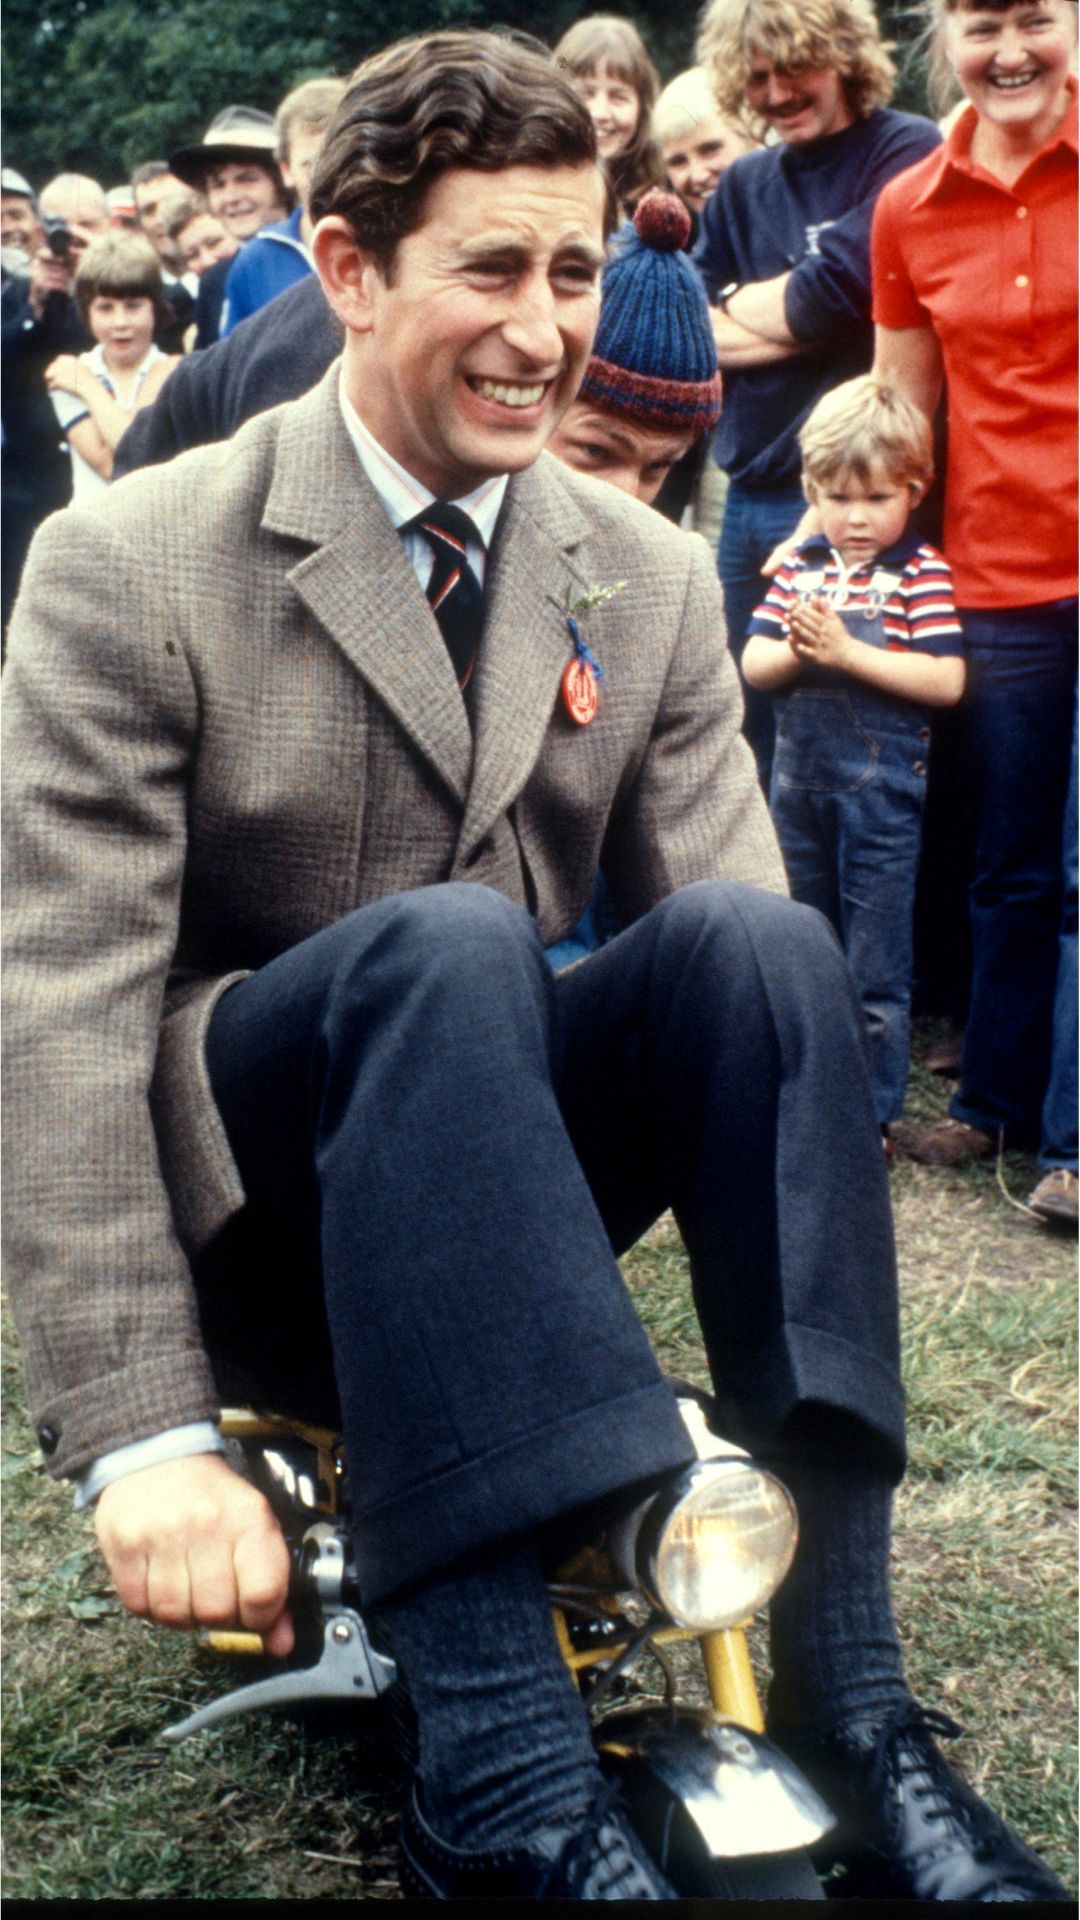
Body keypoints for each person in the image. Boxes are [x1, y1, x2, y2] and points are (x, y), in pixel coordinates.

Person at [4, 30, 1067, 1903]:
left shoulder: (639, 572)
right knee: (445, 947)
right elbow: (63, 1008)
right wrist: (147, 1442)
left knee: (761, 944)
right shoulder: (130, 561)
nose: (543, 326)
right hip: (271, 1220)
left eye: (570, 271)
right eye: (488, 269)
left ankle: (853, 1693)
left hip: (499, 1191)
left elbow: (747, 998)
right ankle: (495, 1769)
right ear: (348, 272)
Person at [871, 0, 1078, 1182]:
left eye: (1037, 19)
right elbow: (902, 415)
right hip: (995, 579)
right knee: (1008, 862)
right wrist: (851, 550)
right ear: (942, 35)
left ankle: (1074, 1142)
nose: (1010, 50)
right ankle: (996, 1104)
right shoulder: (909, 205)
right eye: (983, 22)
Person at [692, 0, 942, 787]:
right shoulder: (741, 182)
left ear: (841, 52)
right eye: (756, 76)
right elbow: (684, 326)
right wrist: (813, 313)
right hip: (749, 493)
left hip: (862, 501)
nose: (774, 94)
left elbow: (837, 289)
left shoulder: (905, 149)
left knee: (862, 733)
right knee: (751, 727)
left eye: (793, 67)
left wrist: (756, 307)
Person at [743, 378, 965, 1154]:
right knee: (800, 944)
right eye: (837, 497)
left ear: (914, 489)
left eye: (875, 497)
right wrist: (799, 655)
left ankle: (868, 1115)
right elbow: (755, 662)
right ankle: (797, 1091)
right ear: (811, 492)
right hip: (796, 795)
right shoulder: (801, 565)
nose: (856, 517)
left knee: (874, 966)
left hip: (882, 805)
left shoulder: (920, 574)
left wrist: (847, 652)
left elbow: (945, 679)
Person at [0, 173, 105, 631]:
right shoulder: (13, 295)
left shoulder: (118, 288)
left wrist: (93, 280)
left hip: (100, 477)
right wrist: (36, 305)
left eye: (88, 224)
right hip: (27, 488)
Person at [43, 232, 178, 496]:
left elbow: (138, 454)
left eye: (133, 306)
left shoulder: (173, 370)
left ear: (155, 308)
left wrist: (89, 389)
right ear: (86, 312)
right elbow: (109, 467)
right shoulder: (68, 374)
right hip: (92, 525)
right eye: (105, 308)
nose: (120, 323)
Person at [219, 77, 346, 336]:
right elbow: (234, 367)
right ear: (286, 171)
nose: (327, 177)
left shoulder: (388, 245)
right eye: (310, 165)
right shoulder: (255, 261)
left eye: (340, 160)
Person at [168, 106, 293, 347]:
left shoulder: (320, 253)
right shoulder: (215, 283)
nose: (231, 197)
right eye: (217, 185)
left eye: (246, 179)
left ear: (281, 179)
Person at [553, 15, 666, 217]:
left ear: (642, 109)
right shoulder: (533, 185)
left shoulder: (660, 196)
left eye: (618, 97)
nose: (600, 113)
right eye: (585, 94)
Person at [653, 67, 751, 231]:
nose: (698, 175)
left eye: (710, 150)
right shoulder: (680, 244)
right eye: (678, 162)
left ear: (751, 137)